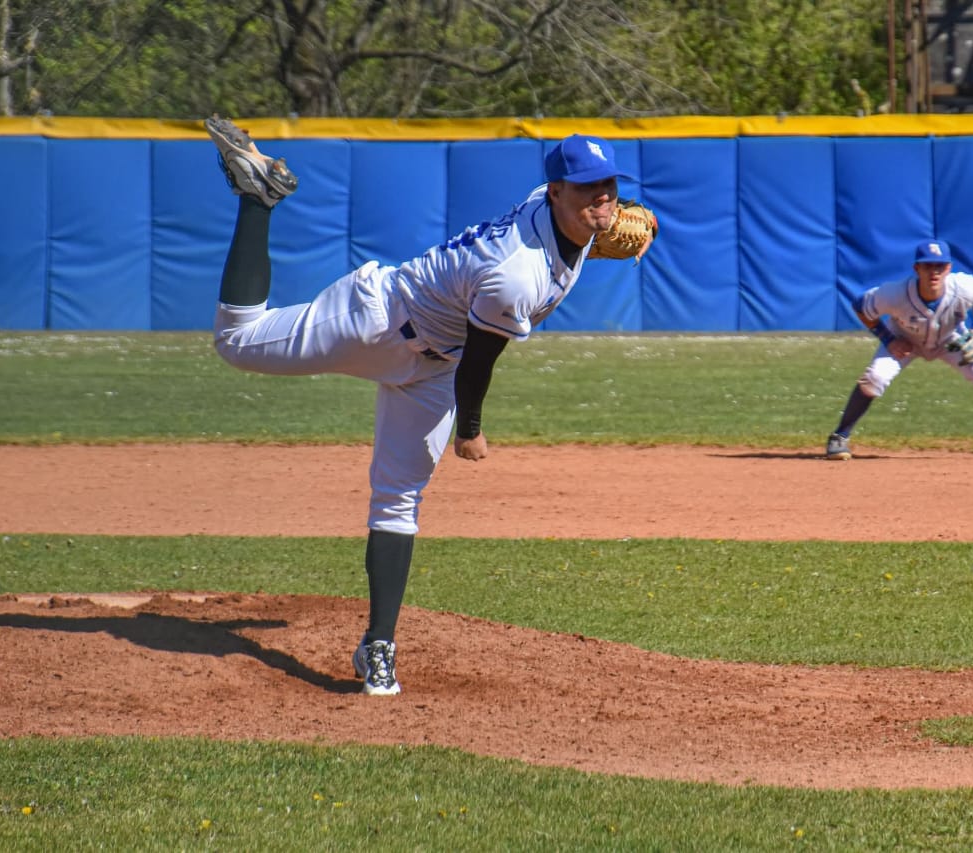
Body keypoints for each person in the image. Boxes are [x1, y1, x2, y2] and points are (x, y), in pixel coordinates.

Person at [203, 116, 652, 695]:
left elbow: (588, 216)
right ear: (558, 192)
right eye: (590, 187)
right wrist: (470, 430)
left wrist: (609, 215)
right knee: (237, 341)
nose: (605, 198)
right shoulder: (515, 275)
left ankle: (378, 646)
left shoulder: (560, 205)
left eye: (609, 185)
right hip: (379, 320)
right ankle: (258, 198)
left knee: (398, 498)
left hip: (434, 366)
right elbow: (479, 364)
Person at [825, 239, 973, 461]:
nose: (934, 272)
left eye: (940, 266)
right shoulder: (895, 293)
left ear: (949, 268)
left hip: (950, 339)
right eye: (927, 265)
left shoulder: (964, 287)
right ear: (916, 268)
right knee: (875, 377)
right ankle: (840, 437)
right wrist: (888, 339)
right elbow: (861, 306)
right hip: (904, 339)